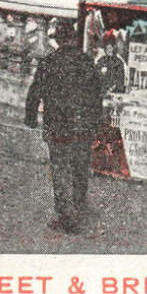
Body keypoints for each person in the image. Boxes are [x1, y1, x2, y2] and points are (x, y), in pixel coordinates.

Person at [24, 19, 105, 233]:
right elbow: (98, 95)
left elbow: (35, 92)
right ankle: (79, 205)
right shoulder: (86, 62)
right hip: (82, 126)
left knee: (59, 170)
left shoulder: (49, 62)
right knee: (79, 167)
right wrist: (96, 122)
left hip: (58, 126)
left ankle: (65, 214)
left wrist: (30, 117)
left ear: (58, 40)